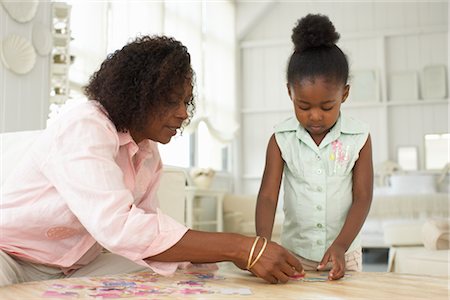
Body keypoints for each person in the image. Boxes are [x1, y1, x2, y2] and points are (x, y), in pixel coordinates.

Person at [0, 35, 302, 287]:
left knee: (170, 278)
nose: (184, 113)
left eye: (186, 101)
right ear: (137, 95)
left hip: (75, 266)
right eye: (172, 101)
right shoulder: (86, 127)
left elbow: (149, 231)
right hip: (10, 255)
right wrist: (241, 247)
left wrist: (241, 255)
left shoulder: (146, 154)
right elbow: (119, 227)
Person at [255, 14, 373, 281]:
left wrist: (341, 245)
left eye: (327, 107)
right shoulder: (280, 138)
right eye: (304, 107)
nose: (315, 116)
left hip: (344, 254)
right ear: (290, 93)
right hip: (293, 255)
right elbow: (267, 196)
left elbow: (363, 197)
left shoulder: (360, 137)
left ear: (344, 94)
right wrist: (261, 246)